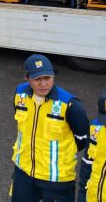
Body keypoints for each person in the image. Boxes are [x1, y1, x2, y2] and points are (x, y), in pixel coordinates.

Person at [10, 54, 90, 202]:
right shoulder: (19, 94)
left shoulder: (70, 105)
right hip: (24, 172)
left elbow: (83, 139)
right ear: (27, 78)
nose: (43, 84)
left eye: (47, 78)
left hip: (56, 178)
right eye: (37, 79)